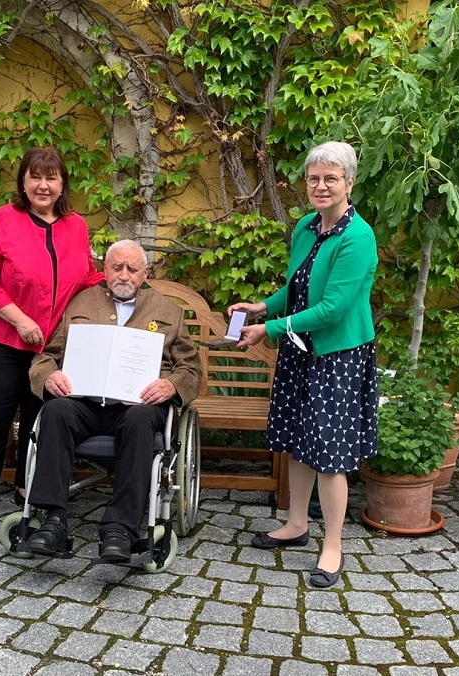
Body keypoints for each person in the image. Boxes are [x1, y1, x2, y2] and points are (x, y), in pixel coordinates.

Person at [229, 141, 378, 588]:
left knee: (330, 453)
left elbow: (331, 309)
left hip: (338, 354)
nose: (321, 186)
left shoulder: (358, 238)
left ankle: (332, 545)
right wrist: (262, 306)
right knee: (297, 439)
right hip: (299, 348)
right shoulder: (307, 227)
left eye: (331, 178)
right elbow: (298, 288)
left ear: (349, 183)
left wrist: (270, 329)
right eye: (314, 178)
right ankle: (296, 524)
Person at [24, 240, 202, 560]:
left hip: (137, 406)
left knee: (140, 421)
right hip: (84, 403)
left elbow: (190, 368)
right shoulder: (81, 303)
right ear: (104, 270)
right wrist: (48, 376)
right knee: (55, 411)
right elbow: (46, 358)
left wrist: (171, 385)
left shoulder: (167, 311)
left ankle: (120, 528)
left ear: (144, 273)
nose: (124, 275)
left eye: (132, 268)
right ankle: (52, 520)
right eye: (116, 267)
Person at [0, 147, 104, 525]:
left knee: (40, 416)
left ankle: (27, 488)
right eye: (35, 177)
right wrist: (19, 319)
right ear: (23, 182)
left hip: (51, 346)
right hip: (4, 339)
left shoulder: (76, 226)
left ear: (62, 184)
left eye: (51, 177)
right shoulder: (1, 221)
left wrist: (122, 285)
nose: (43, 185)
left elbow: (87, 276)